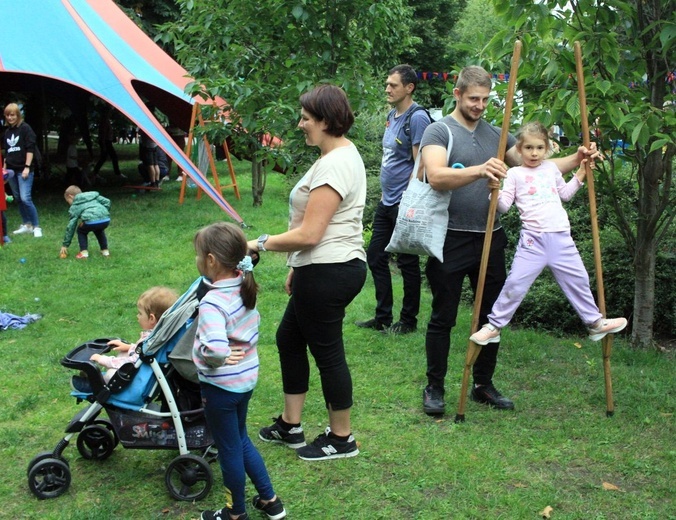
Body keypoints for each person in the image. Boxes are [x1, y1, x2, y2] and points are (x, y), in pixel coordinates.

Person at [418, 66, 599, 415]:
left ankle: (483, 385)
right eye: (473, 98)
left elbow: (539, 165)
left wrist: (579, 157)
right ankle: (435, 387)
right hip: (449, 237)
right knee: (444, 316)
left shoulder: (498, 136)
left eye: (485, 99)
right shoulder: (438, 130)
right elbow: (436, 176)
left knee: (491, 318)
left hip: (490, 238)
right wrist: (482, 169)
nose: (479, 105)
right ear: (457, 94)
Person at [247, 84, 367, 461]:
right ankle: (290, 425)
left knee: (328, 352)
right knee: (288, 338)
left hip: (331, 270)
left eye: (306, 118)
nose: (300, 124)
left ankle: (342, 438)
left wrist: (260, 242)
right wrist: (296, 268)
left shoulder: (336, 163)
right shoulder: (333, 156)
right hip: (318, 268)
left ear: (326, 120)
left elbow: (311, 233)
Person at [469, 122, 627, 346]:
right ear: (520, 149)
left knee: (579, 279)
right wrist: (493, 192)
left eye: (540, 148)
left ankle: (594, 323)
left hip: (561, 238)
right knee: (515, 283)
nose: (534, 153)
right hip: (533, 241)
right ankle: (494, 326)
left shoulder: (551, 169)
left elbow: (565, 194)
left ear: (547, 149)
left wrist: (580, 173)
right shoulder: (515, 174)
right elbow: (503, 206)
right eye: (528, 148)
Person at [193, 222, 286, 520]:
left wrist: (205, 356)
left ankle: (235, 514)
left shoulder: (212, 302)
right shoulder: (243, 285)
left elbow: (217, 349)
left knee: (229, 448)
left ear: (210, 260)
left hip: (221, 389)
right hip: (245, 382)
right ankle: (270, 500)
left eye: (198, 255)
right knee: (241, 439)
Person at [356, 64, 432, 334]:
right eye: (387, 84)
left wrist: (410, 199)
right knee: (375, 255)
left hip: (404, 201)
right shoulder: (392, 114)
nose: (387, 88)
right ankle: (383, 317)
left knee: (407, 262)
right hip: (387, 201)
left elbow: (421, 162)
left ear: (409, 88)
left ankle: (408, 322)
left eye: (393, 85)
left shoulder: (417, 117)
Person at [70, 286, 178, 392]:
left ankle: (94, 386)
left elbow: (130, 364)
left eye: (140, 313)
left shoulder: (149, 341)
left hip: (134, 379)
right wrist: (129, 347)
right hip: (145, 371)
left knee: (112, 373)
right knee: (123, 352)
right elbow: (141, 353)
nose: (137, 316)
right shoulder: (161, 335)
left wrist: (103, 359)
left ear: (151, 318)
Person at [3, 103, 42, 237]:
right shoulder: (7, 132)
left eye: (12, 115)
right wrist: (4, 170)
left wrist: (27, 167)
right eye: (7, 115)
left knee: (26, 198)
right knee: (18, 198)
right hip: (11, 171)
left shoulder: (26, 129)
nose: (10, 118)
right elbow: (7, 152)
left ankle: (36, 226)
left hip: (24, 169)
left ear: (18, 115)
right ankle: (27, 224)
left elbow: (30, 149)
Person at [59, 185, 111, 259]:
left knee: (81, 230)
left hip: (91, 222)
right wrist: (102, 213)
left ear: (70, 196)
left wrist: (65, 245)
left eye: (68, 201)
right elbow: (107, 201)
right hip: (105, 220)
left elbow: (71, 226)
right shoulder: (92, 196)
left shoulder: (75, 206)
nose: (69, 203)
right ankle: (105, 251)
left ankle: (83, 253)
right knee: (99, 230)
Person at [91, 105, 124, 180]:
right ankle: (117, 173)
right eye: (109, 112)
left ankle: (95, 173)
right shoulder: (104, 121)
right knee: (113, 157)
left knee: (103, 158)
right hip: (106, 142)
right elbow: (103, 134)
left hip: (107, 141)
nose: (111, 113)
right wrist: (103, 145)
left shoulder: (106, 121)